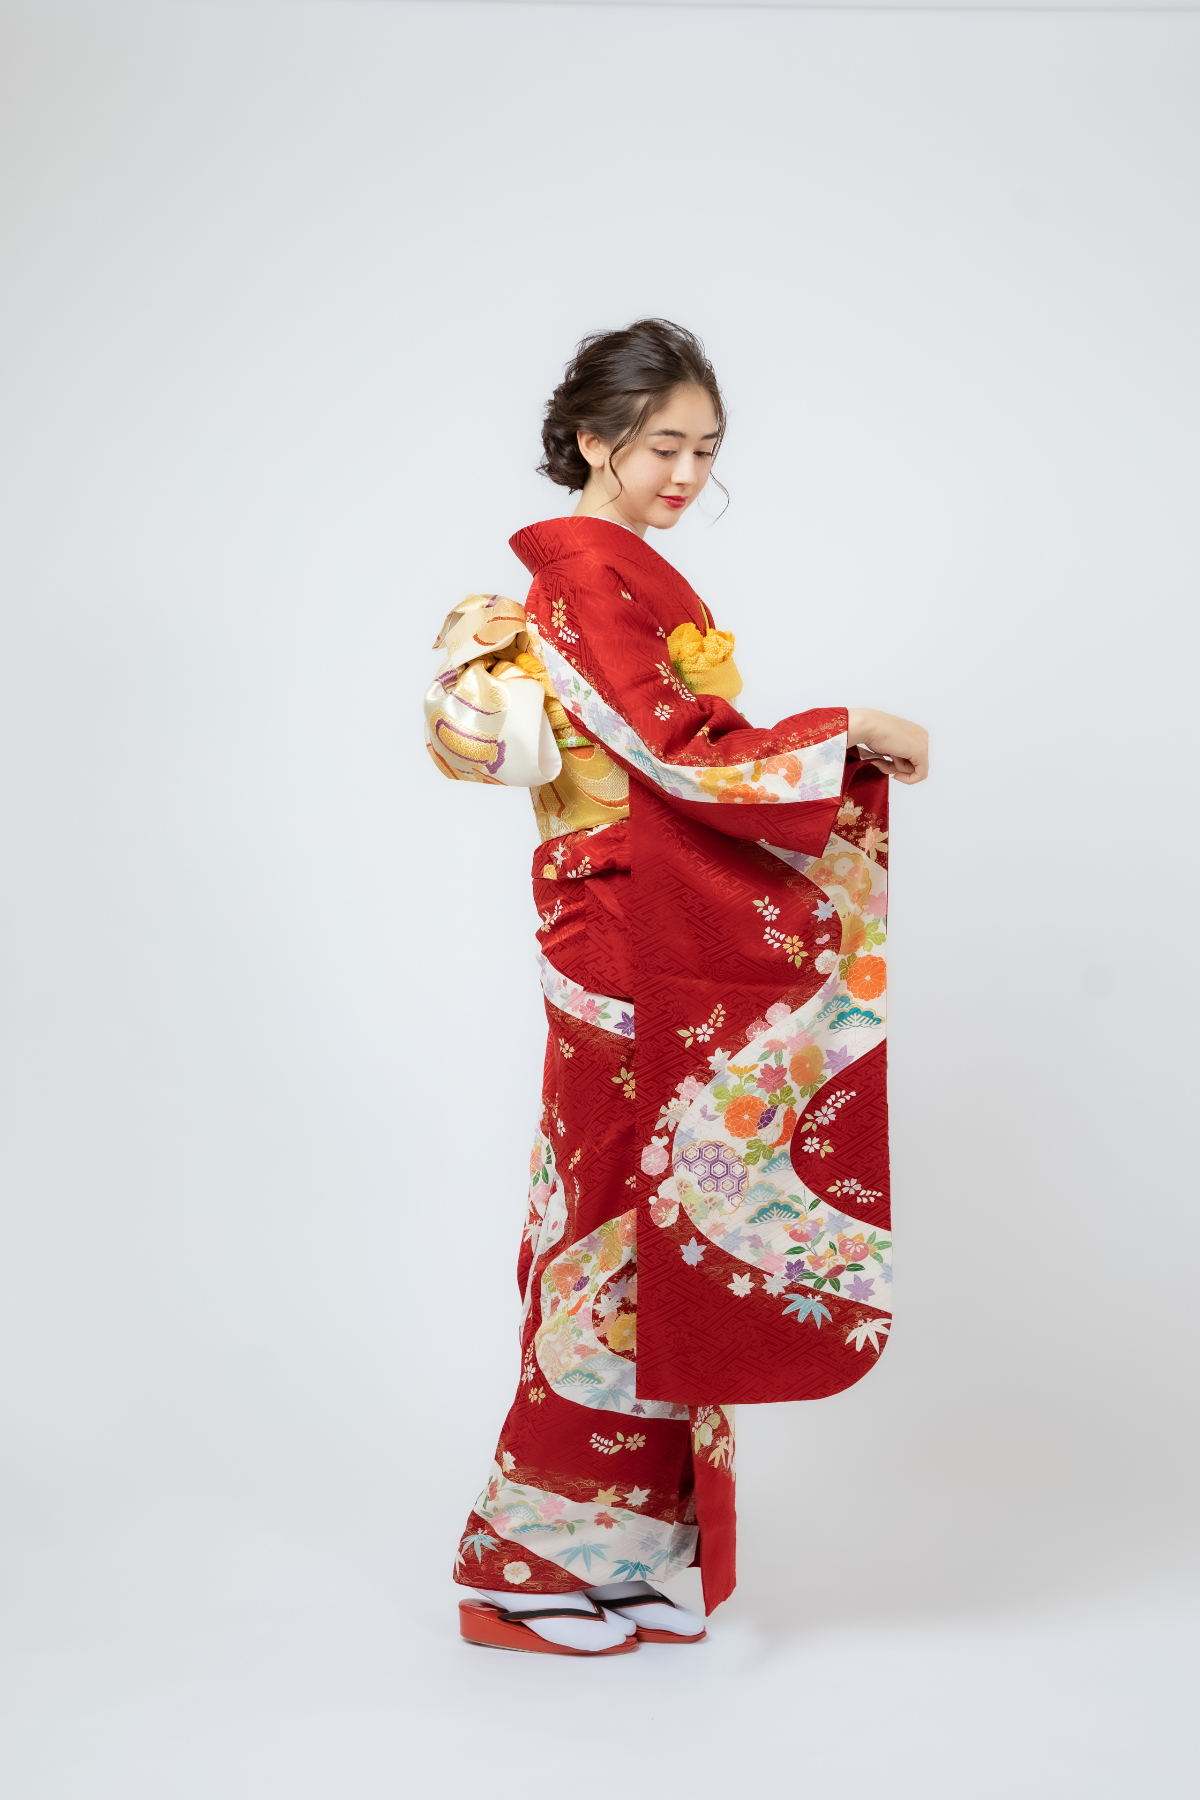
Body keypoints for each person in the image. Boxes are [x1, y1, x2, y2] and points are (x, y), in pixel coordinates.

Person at [424, 319, 928, 1657]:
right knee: (611, 1225)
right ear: (593, 441)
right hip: (621, 933)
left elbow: (683, 751)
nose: (686, 476)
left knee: (657, 1226)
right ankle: (525, 1564)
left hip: (642, 913)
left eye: (706, 451)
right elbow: (679, 750)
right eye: (663, 447)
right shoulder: (585, 575)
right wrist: (850, 729)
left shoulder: (619, 572)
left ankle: (630, 1548)